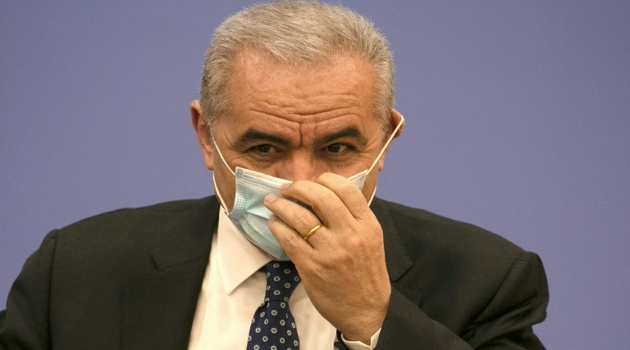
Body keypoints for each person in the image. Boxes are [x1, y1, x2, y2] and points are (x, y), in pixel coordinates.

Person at [0, 1, 548, 349]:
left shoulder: (487, 279)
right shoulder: (73, 272)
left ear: (386, 138)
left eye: (338, 147)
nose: (301, 182)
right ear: (205, 136)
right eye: (264, 147)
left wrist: (375, 319)